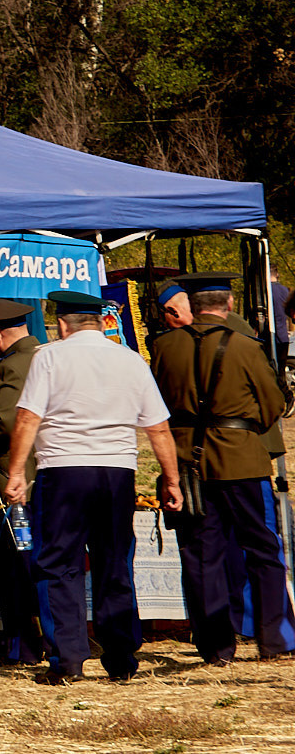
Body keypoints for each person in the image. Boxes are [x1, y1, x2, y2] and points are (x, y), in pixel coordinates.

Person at [6, 291, 182, 684]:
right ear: (103, 323)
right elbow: (157, 427)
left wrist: (17, 472)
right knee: (113, 562)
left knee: (59, 565)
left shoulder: (49, 357)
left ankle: (67, 659)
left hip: (63, 471)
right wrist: (171, 479)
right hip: (116, 472)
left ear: (62, 325)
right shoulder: (131, 360)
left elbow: (27, 419)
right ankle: (120, 658)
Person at [146, 272, 294, 665]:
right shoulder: (246, 346)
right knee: (263, 550)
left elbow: (158, 403)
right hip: (242, 459)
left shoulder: (163, 346)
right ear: (228, 305)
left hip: (188, 463)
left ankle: (214, 647)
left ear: (191, 308)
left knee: (200, 556)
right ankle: (274, 639)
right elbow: (272, 404)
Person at [0, 297, 46, 664]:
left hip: (15, 477)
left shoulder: (14, 365)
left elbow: (4, 420)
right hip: (40, 473)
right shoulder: (44, 354)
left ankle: (23, 647)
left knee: (18, 568)